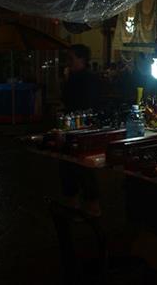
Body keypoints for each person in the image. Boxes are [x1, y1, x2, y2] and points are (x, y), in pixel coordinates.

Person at [59, 44, 102, 216]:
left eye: (71, 58)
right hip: (72, 125)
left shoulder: (87, 79)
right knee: (68, 165)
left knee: (83, 167)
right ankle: (74, 203)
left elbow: (86, 103)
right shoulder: (73, 78)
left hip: (83, 126)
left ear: (82, 59)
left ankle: (91, 205)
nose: (68, 62)